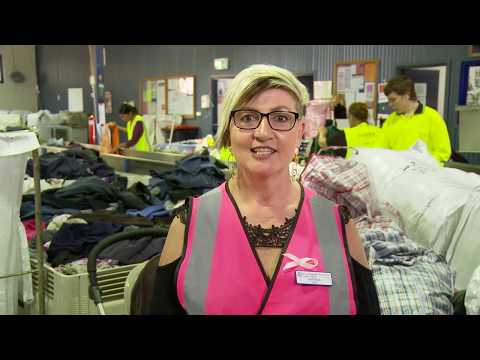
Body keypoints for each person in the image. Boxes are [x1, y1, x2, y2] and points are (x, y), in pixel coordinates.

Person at [150, 64, 380, 315]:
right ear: (228, 130)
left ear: (301, 130)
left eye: (280, 118)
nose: (262, 132)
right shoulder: (190, 225)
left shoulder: (337, 226)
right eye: (248, 118)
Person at [382, 75, 451, 164]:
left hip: (424, 173)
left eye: (393, 100)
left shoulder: (432, 117)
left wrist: (421, 164)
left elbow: (443, 153)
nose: (390, 104)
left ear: (406, 95)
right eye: (389, 100)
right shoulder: (390, 120)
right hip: (396, 173)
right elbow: (383, 151)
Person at [310, 102, 385, 158]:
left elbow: (322, 143)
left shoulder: (345, 134)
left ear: (351, 117)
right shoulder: (380, 131)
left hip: (356, 174)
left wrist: (321, 133)